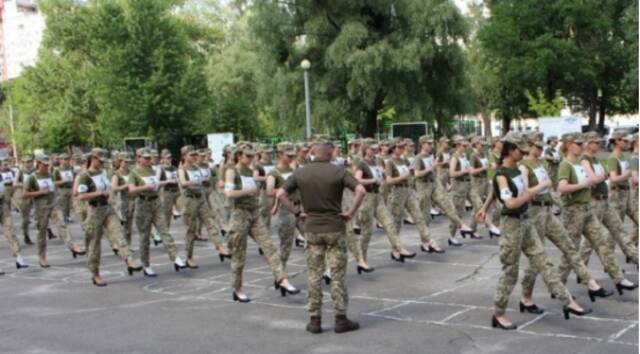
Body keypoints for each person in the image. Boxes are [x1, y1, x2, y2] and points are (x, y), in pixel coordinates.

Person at [476, 132, 591, 330]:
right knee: (510, 272)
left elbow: (494, 193)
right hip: (511, 226)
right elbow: (510, 202)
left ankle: (568, 301)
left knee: (543, 262)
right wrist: (532, 192)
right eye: (521, 151)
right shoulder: (503, 174)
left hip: (526, 222)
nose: (524, 154)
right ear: (511, 150)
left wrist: (484, 208)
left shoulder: (514, 170)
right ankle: (499, 313)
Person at [276, 139, 366, 334]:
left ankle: (315, 319)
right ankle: (340, 319)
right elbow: (361, 190)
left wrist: (296, 212)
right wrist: (350, 212)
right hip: (334, 227)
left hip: (312, 228)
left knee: (314, 275)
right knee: (337, 275)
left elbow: (280, 194)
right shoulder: (338, 171)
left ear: (313, 153)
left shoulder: (300, 172)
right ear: (329, 153)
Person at [518, 132, 612, 310]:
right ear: (529, 146)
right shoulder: (523, 167)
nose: (539, 149)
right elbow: (525, 193)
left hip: (547, 211)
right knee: (536, 259)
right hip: (535, 212)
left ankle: (590, 283)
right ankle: (526, 297)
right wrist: (543, 186)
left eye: (540, 146)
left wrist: (557, 202)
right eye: (536, 146)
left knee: (569, 246)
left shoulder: (540, 164)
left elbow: (552, 189)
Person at [555, 133, 637, 295]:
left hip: (587, 208)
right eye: (578, 143)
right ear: (569, 145)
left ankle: (618, 278)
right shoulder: (567, 164)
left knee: (602, 244)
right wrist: (585, 183)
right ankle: (558, 285)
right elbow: (562, 188)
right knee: (571, 250)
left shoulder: (580, 162)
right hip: (574, 211)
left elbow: (598, 178)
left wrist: (594, 179)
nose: (580, 146)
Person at [225, 143, 299, 303]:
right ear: (239, 155)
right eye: (248, 156)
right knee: (239, 255)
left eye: (253, 156)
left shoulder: (251, 171)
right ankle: (237, 289)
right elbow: (229, 193)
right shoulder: (232, 170)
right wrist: (248, 191)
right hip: (239, 215)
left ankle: (282, 280)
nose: (252, 158)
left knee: (269, 247)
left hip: (255, 214)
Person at [77, 148, 142, 286]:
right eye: (99, 161)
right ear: (93, 159)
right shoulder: (85, 176)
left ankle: (129, 260)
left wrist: (108, 195)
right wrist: (97, 193)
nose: (101, 163)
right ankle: (95, 274)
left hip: (107, 208)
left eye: (103, 161)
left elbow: (109, 188)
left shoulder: (104, 172)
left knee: (118, 234)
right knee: (95, 244)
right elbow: (81, 196)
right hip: (95, 210)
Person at [579, 132, 638, 266]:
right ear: (588, 143)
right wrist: (609, 177)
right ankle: (581, 269)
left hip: (607, 199)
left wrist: (606, 182)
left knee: (618, 231)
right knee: (591, 240)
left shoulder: (596, 159)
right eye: (596, 142)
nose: (599, 144)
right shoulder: (586, 159)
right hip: (595, 201)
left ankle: (632, 258)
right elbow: (600, 179)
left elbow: (604, 178)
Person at [354, 139, 417, 263]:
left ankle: (399, 248)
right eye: (371, 149)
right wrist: (372, 180)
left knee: (389, 223)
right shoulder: (362, 163)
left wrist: (383, 175)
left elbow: (383, 175)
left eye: (375, 149)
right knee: (367, 232)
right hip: (367, 198)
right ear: (365, 149)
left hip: (378, 197)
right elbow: (357, 180)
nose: (374, 151)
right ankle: (362, 259)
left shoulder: (376, 161)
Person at [129, 148, 186, 277]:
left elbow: (157, 183)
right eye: (145, 158)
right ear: (138, 158)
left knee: (164, 230)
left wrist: (161, 183)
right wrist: (145, 187)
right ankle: (146, 265)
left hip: (156, 202)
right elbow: (131, 189)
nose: (148, 160)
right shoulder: (134, 172)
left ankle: (175, 257)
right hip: (143, 204)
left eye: (149, 158)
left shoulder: (152, 170)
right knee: (144, 237)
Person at [24, 154, 84, 267]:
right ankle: (42, 257)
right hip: (41, 207)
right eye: (44, 165)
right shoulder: (33, 177)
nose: (46, 167)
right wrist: (39, 192)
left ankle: (73, 247)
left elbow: (53, 187)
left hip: (53, 204)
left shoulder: (50, 175)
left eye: (47, 165)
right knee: (41, 233)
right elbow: (25, 193)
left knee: (62, 225)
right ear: (38, 164)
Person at [179, 145, 231, 268]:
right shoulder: (182, 169)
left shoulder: (197, 167)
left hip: (201, 198)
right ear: (184, 156)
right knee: (190, 231)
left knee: (211, 222)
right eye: (191, 155)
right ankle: (189, 257)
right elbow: (183, 183)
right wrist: (196, 182)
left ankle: (220, 247)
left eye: (194, 155)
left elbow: (209, 177)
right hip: (189, 201)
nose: (194, 157)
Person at [447, 136, 480, 246]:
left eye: (466, 146)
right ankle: (451, 236)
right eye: (463, 146)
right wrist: (465, 171)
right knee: (458, 212)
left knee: (478, 204)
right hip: (459, 185)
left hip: (468, 184)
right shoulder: (454, 157)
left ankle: (471, 229)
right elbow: (452, 174)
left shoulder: (464, 155)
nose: (465, 148)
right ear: (457, 146)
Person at [111, 152, 135, 245]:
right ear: (120, 162)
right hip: (125, 201)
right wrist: (125, 186)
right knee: (127, 227)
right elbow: (114, 188)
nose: (127, 164)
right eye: (125, 162)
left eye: (128, 162)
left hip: (135, 199)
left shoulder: (131, 172)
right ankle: (125, 245)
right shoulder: (117, 174)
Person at [13, 155, 35, 245]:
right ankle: (26, 235)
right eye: (26, 162)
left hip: (35, 194)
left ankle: (48, 231)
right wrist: (25, 184)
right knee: (25, 218)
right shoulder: (20, 171)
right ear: (23, 163)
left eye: (30, 161)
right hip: (24, 196)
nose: (28, 163)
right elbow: (15, 183)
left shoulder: (35, 170)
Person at [52, 153, 74, 222]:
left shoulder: (71, 168)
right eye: (63, 159)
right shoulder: (57, 170)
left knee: (69, 204)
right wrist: (63, 181)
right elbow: (54, 182)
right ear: (60, 160)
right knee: (63, 204)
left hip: (71, 187)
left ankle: (67, 216)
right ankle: (63, 218)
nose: (65, 161)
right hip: (62, 189)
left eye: (67, 159)